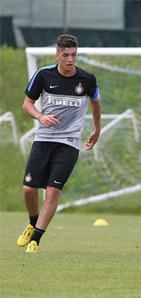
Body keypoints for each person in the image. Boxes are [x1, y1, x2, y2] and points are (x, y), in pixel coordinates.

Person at [16, 34, 101, 253]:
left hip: (69, 142)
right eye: (66, 55)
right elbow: (27, 104)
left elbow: (96, 103)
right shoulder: (43, 75)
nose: (70, 60)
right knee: (28, 189)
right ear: (57, 55)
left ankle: (36, 240)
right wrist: (40, 117)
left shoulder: (87, 79)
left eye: (74, 55)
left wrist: (97, 129)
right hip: (44, 139)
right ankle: (32, 223)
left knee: (53, 192)